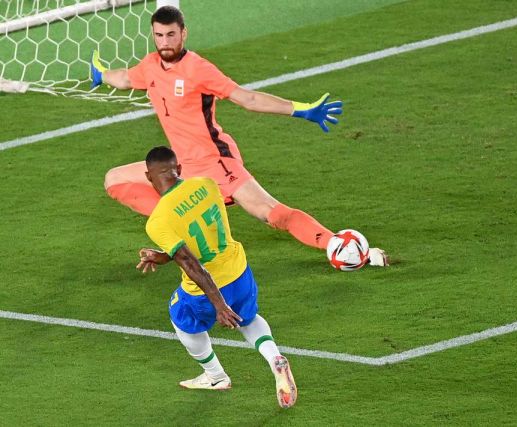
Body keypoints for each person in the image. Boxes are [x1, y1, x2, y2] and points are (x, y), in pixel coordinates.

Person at [91, 5, 388, 267]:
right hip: (182, 166)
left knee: (272, 214)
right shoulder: (150, 66)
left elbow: (248, 99)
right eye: (159, 35)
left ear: (184, 33)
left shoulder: (198, 69)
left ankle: (341, 246)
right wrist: (101, 74)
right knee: (114, 180)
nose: (165, 42)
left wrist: (301, 110)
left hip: (215, 162)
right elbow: (126, 78)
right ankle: (182, 225)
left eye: (171, 35)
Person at [136, 145, 297, 408]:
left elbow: (190, 261)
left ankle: (215, 377)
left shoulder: (158, 220)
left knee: (180, 316)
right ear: (179, 168)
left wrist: (219, 305)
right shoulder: (207, 185)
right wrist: (165, 256)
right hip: (239, 270)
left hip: (205, 290)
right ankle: (274, 358)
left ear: (148, 176)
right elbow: (203, 236)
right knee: (247, 318)